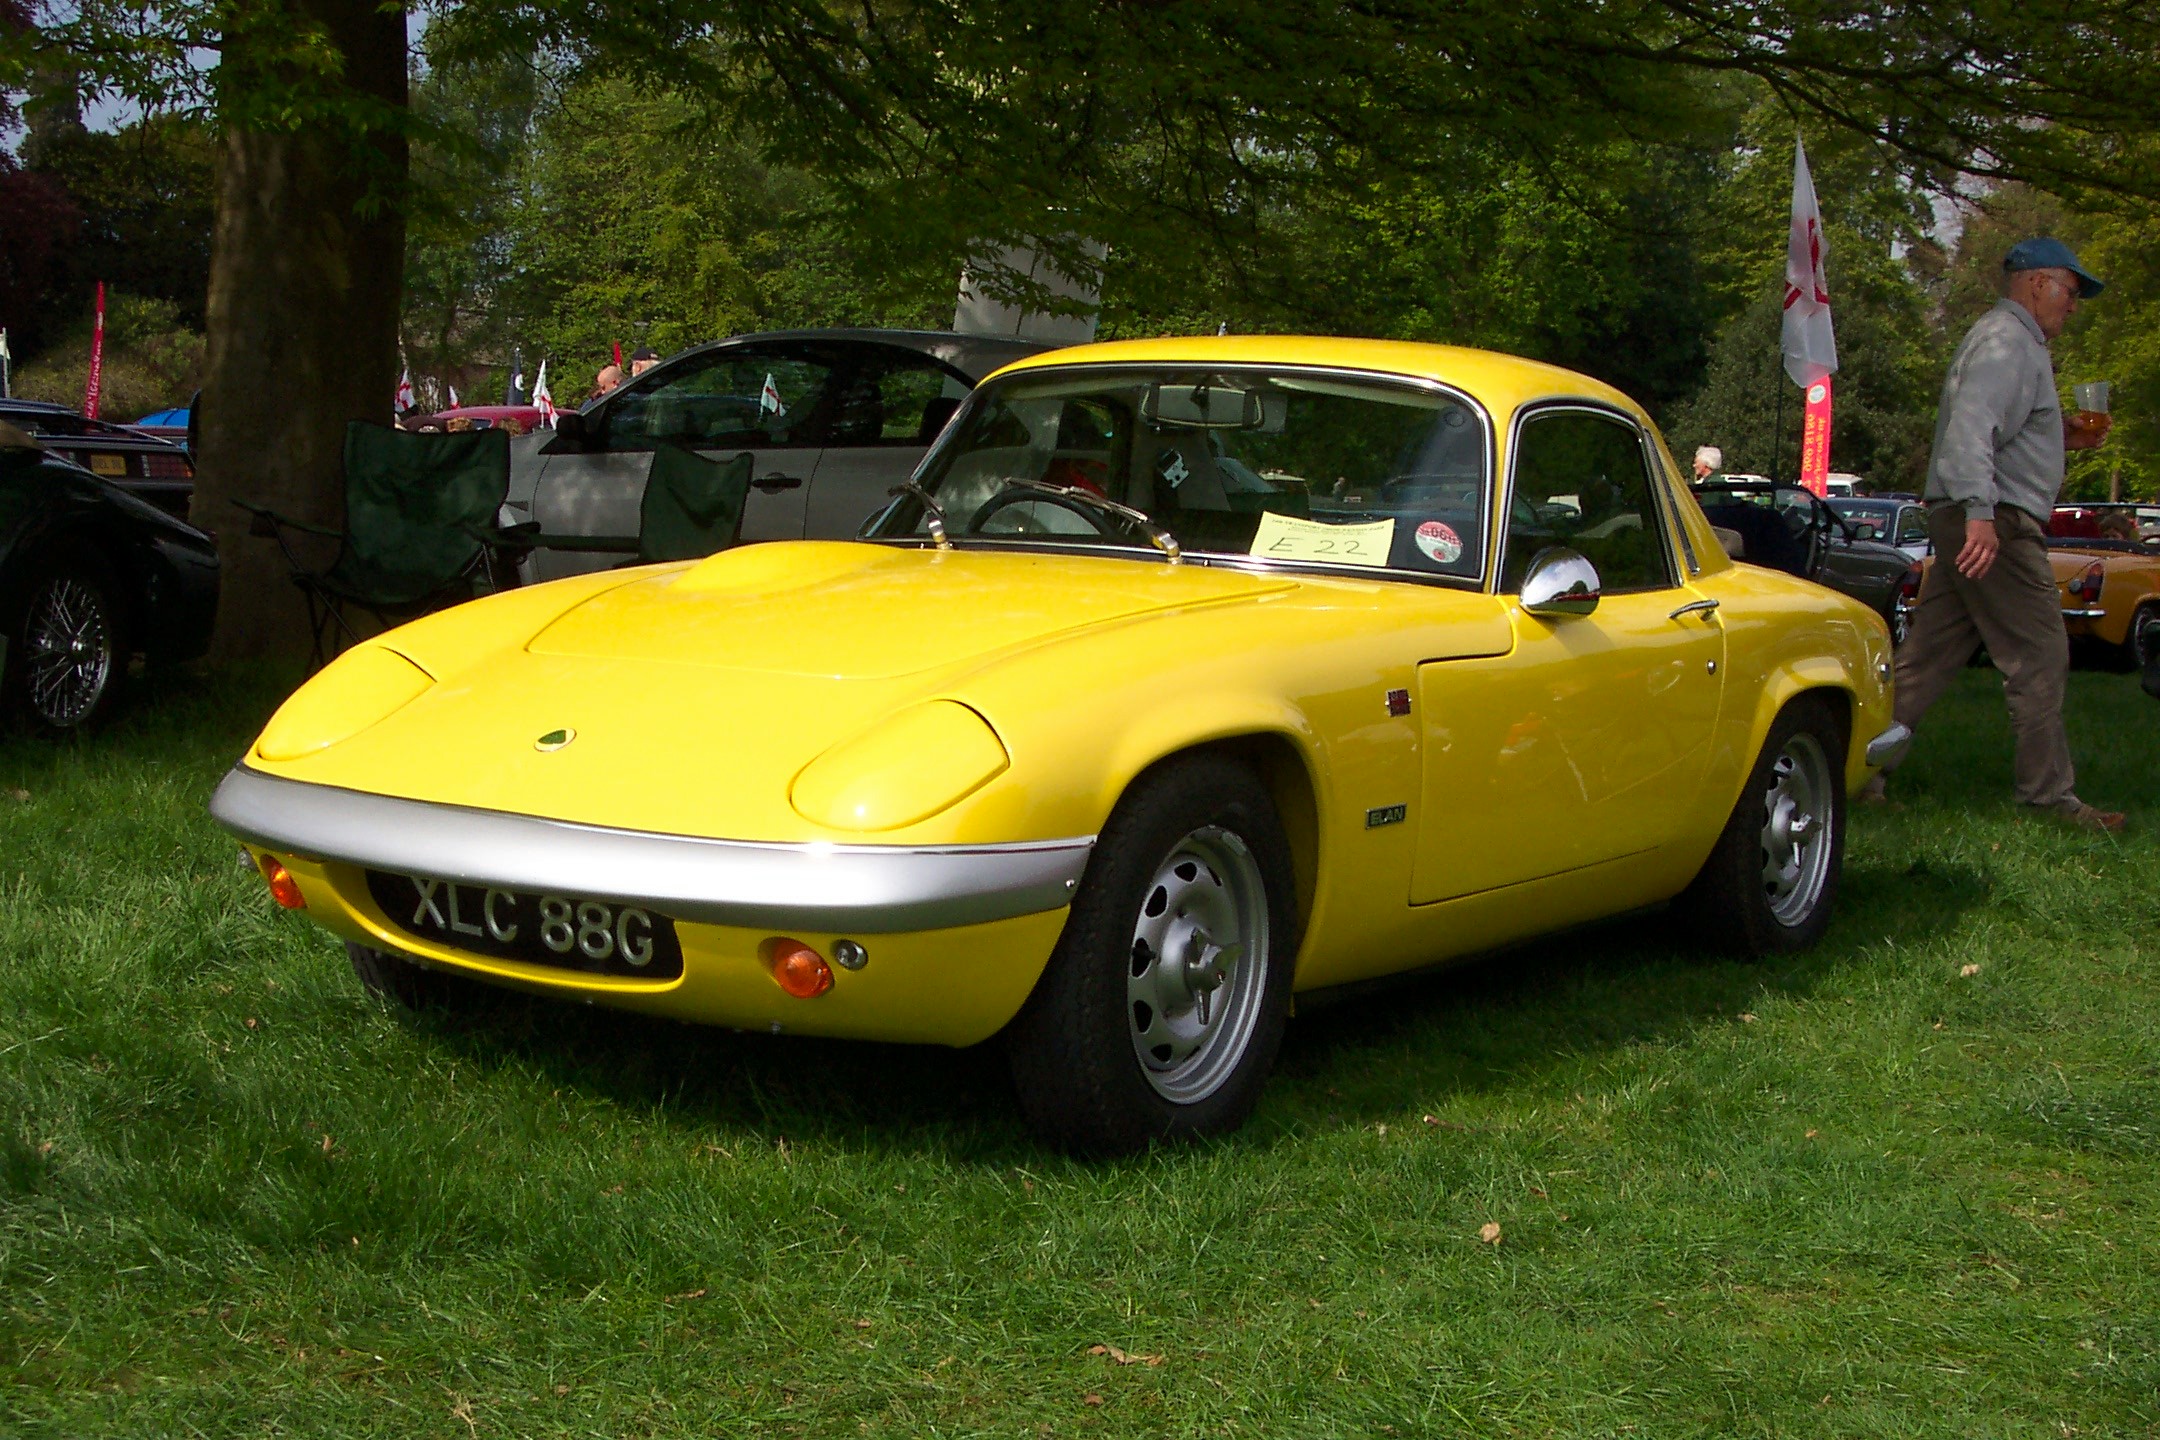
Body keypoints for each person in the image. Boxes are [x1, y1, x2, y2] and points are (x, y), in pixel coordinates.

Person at [1870, 237, 2121, 830]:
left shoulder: (2006, 341)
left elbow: (1999, 427)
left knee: (1926, 659)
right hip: (1996, 519)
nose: (2074, 305)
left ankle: (1858, 770)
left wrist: (2061, 436)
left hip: (1971, 514)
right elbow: (1971, 426)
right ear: (2035, 283)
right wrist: (1981, 512)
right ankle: (2048, 798)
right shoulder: (2010, 341)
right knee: (2039, 652)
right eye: (2070, 289)